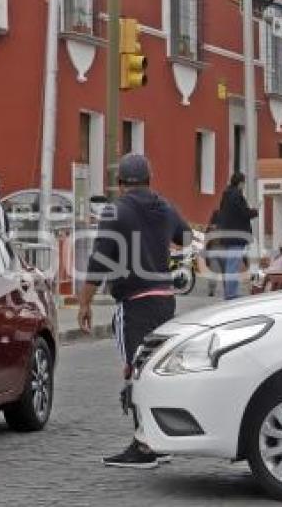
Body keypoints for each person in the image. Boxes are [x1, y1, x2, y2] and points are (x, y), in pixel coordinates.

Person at [78, 153, 190, 469]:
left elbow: (100, 259)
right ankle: (160, 439)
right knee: (156, 370)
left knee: (135, 370)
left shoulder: (117, 210)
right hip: (165, 299)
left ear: (119, 182)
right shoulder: (165, 205)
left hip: (135, 301)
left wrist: (85, 302)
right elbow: (185, 236)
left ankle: (143, 446)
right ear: (149, 178)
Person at [216, 172, 258, 300]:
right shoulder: (236, 196)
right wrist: (255, 211)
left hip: (228, 235)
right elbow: (244, 213)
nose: (244, 186)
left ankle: (230, 292)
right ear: (240, 183)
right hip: (237, 236)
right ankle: (231, 293)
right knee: (233, 265)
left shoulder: (226, 195)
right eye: (243, 183)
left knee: (231, 264)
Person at [204, 210, 223, 297]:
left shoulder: (211, 227)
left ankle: (212, 289)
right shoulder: (225, 225)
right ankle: (228, 290)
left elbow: (207, 239)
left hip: (213, 249)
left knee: (213, 271)